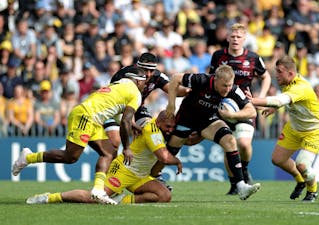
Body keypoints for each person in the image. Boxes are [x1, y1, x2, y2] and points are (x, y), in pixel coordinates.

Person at [12, 67, 147, 204]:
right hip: (86, 116)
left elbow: (116, 113)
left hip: (91, 117)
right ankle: (28, 157)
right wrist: (127, 148)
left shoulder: (119, 84)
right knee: (70, 157)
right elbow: (125, 121)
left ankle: (98, 190)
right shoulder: (136, 94)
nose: (145, 85)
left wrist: (133, 126)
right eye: (144, 81)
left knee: (109, 153)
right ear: (137, 81)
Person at [25, 110, 182, 205]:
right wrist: (178, 161)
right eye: (168, 127)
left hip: (139, 176)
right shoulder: (152, 130)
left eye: (172, 127)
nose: (170, 130)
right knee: (93, 198)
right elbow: (164, 157)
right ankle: (50, 197)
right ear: (159, 122)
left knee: (164, 196)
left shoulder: (158, 127)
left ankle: (122, 200)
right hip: (124, 170)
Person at [163, 64, 261, 200]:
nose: (228, 89)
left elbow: (252, 112)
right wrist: (171, 104)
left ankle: (241, 186)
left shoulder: (233, 89)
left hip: (208, 121)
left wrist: (232, 115)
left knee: (230, 141)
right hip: (187, 118)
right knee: (168, 154)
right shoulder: (201, 80)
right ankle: (153, 177)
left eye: (230, 85)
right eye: (224, 85)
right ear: (215, 80)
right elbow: (175, 78)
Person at [247, 56, 319, 202]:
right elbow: (287, 101)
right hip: (294, 127)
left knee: (302, 164)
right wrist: (274, 108)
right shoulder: (287, 82)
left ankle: (312, 191)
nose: (276, 75)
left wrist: (252, 100)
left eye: (279, 72)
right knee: (277, 159)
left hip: (315, 130)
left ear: (291, 73)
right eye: (276, 71)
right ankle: (300, 181)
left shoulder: (301, 87)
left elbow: (279, 100)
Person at [104, 52, 189, 190]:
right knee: (115, 141)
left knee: (154, 132)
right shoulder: (123, 75)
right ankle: (111, 176)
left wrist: (189, 91)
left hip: (137, 107)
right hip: (116, 109)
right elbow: (115, 102)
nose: (148, 74)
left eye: (151, 70)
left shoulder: (157, 76)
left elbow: (173, 90)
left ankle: (155, 174)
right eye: (145, 70)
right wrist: (130, 123)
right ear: (137, 66)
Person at [209, 23, 271, 195]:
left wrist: (261, 97)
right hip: (223, 106)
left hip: (245, 107)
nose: (235, 39)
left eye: (239, 37)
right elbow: (211, 78)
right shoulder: (218, 56)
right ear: (228, 37)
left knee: (243, 144)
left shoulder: (253, 57)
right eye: (233, 36)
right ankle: (234, 183)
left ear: (244, 39)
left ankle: (243, 170)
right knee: (229, 145)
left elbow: (266, 76)